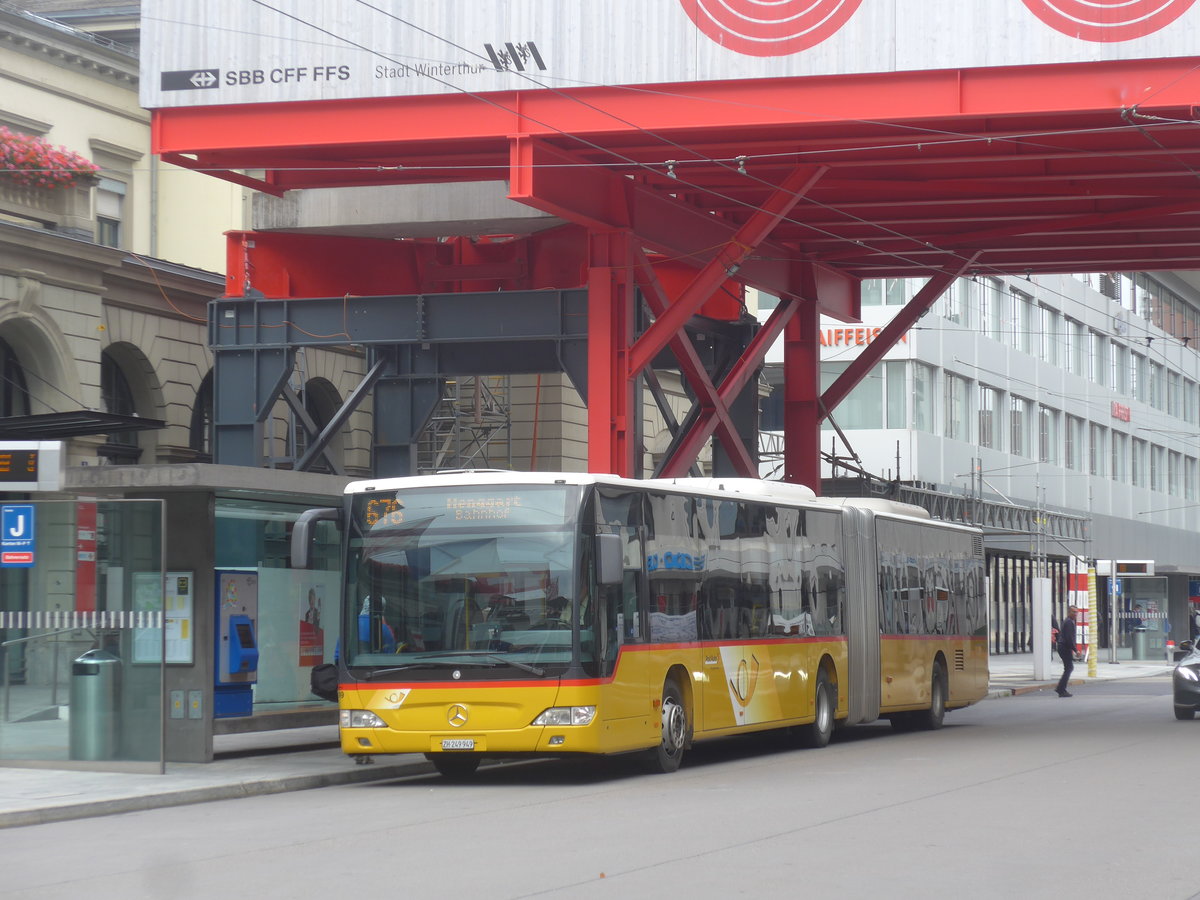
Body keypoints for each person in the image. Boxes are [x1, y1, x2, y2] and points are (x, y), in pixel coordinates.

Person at [1055, 605, 1078, 697]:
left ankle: (1061, 688)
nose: (1075, 614)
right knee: (1069, 668)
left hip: (1064, 647)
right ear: (1069, 612)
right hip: (1064, 647)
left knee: (1068, 668)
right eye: (1073, 612)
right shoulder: (1069, 622)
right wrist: (1076, 650)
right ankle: (1061, 689)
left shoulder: (1070, 621)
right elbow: (1069, 638)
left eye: (1076, 612)